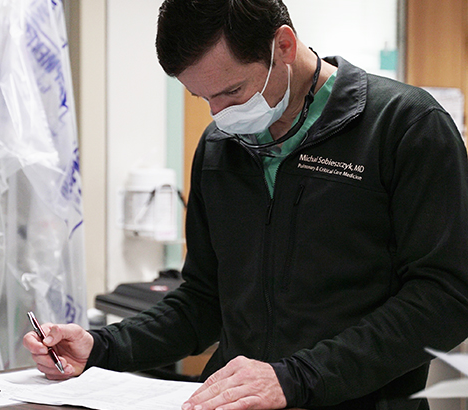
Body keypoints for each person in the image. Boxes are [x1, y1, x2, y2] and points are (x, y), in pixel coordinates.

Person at [24, 0, 468, 409]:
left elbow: (447, 298)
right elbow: (203, 300)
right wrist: (103, 348)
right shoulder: (220, 149)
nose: (218, 115)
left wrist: (296, 379)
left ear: (284, 45)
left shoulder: (404, 127)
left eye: (233, 91)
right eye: (203, 99)